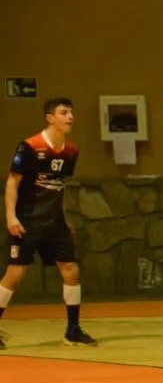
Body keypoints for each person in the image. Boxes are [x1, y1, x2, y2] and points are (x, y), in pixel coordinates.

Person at [0, 98, 96, 349]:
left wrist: (64, 218)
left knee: (71, 269)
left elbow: (60, 187)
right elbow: (12, 182)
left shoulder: (72, 150)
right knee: (14, 275)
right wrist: (11, 216)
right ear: (50, 118)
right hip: (28, 221)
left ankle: (73, 330)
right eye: (64, 112)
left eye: (71, 112)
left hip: (54, 222)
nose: (70, 117)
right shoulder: (30, 146)